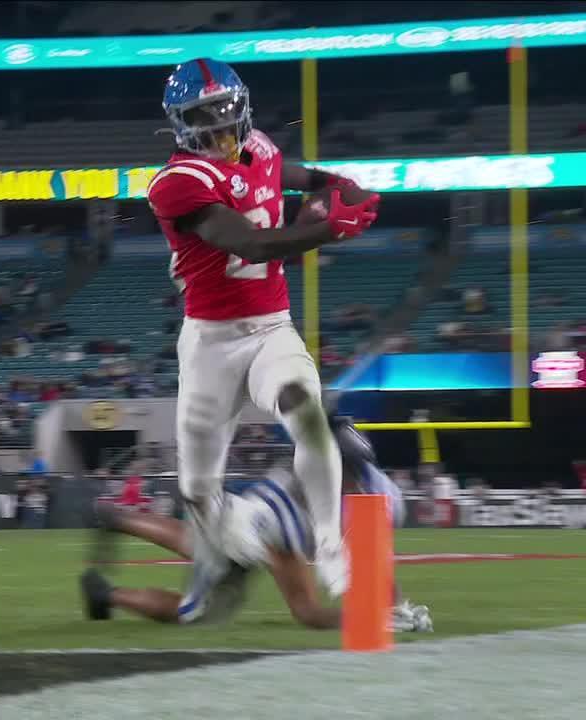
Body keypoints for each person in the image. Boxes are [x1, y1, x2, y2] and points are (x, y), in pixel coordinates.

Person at [147, 58, 379, 598]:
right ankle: (241, 540)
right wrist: (326, 229)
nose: (222, 129)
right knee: (198, 493)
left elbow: (297, 177)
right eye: (207, 118)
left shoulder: (263, 150)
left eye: (227, 114)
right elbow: (247, 243)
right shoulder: (177, 182)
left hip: (270, 328)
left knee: (306, 409)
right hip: (210, 342)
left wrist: (337, 185)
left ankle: (329, 545)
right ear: (181, 123)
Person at [80, 417, 431, 632]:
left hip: (244, 513)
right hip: (249, 528)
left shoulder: (375, 499)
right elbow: (307, 612)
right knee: (193, 611)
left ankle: (119, 519)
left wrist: (391, 606)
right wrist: (372, 621)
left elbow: (372, 567)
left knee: (200, 541)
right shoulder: (295, 513)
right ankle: (107, 594)